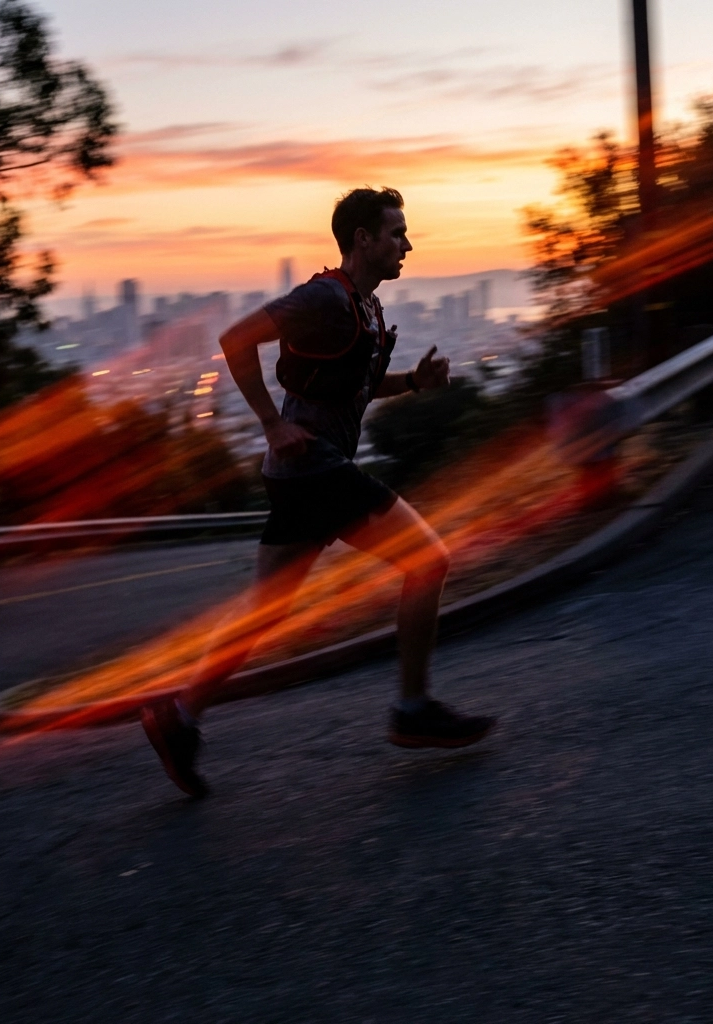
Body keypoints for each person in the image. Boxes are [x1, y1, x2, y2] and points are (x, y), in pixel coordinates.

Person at [141, 187, 495, 797]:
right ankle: (412, 709)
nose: (407, 244)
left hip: (298, 477)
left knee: (267, 609)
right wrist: (270, 424)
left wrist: (414, 383)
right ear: (363, 238)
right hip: (313, 469)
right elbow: (235, 338)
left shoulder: (365, 307)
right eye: (396, 233)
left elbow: (357, 385)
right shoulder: (324, 297)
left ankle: (179, 718)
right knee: (428, 560)